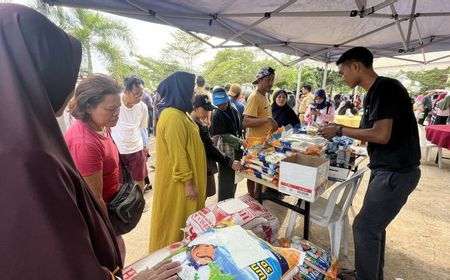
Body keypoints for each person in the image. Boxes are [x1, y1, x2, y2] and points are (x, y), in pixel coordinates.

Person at [0, 4, 180, 279]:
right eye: (67, 74)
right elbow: (57, 262)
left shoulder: (30, 140)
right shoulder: (29, 158)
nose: (69, 86)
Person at [320, 47, 421, 280]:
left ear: (356, 66)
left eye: (343, 71)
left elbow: (381, 134)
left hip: (395, 172)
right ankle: (370, 274)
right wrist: (344, 133)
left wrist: (339, 129)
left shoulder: (385, 88)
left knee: (365, 227)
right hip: (386, 169)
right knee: (374, 228)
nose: (342, 77)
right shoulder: (375, 92)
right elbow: (372, 131)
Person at [64, 74, 128, 261]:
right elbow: (95, 199)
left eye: (118, 108)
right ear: (88, 107)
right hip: (99, 216)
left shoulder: (101, 124)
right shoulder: (85, 144)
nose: (116, 114)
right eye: (110, 109)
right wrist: (108, 233)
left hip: (110, 209)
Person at [149, 71, 207, 252]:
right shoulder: (173, 116)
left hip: (185, 183)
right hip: (179, 186)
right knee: (174, 223)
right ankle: (168, 257)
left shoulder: (180, 113)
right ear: (180, 90)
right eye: (190, 90)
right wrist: (188, 182)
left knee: (184, 222)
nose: (192, 95)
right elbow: (178, 154)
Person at [190, 94, 243, 198]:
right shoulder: (192, 125)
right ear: (195, 108)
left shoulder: (199, 122)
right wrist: (229, 162)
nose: (207, 113)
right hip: (198, 170)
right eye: (205, 109)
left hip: (204, 167)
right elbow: (210, 148)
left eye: (208, 109)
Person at [243, 67, 279, 198]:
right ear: (259, 80)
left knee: (260, 171)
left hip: (264, 143)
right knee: (252, 173)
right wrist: (267, 119)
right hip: (255, 144)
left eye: (272, 80)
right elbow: (246, 122)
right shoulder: (254, 97)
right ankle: (251, 197)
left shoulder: (265, 96)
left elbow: (264, 119)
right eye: (268, 80)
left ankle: (257, 197)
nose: (271, 83)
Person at [111, 76, 149, 191]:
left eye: (141, 94)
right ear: (126, 91)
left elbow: (143, 128)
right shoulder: (115, 103)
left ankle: (140, 203)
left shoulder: (142, 107)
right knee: (120, 181)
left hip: (136, 148)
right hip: (118, 149)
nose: (139, 97)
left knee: (139, 179)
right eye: (136, 94)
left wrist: (145, 145)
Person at [211, 87, 245, 201]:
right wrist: (240, 141)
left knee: (234, 177)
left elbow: (239, 127)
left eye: (224, 103)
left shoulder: (233, 108)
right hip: (225, 150)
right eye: (219, 104)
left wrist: (241, 141)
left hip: (237, 149)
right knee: (226, 178)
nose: (222, 106)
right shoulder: (217, 114)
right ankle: (224, 204)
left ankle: (231, 200)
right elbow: (221, 134)